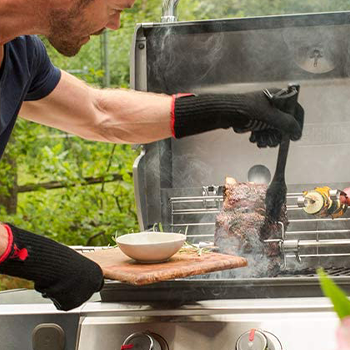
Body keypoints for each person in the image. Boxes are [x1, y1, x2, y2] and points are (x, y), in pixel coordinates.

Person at [0, 0, 304, 311]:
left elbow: (100, 113)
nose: (116, 24)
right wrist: (23, 252)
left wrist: (228, 110)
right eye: (117, 7)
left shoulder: (21, 54)